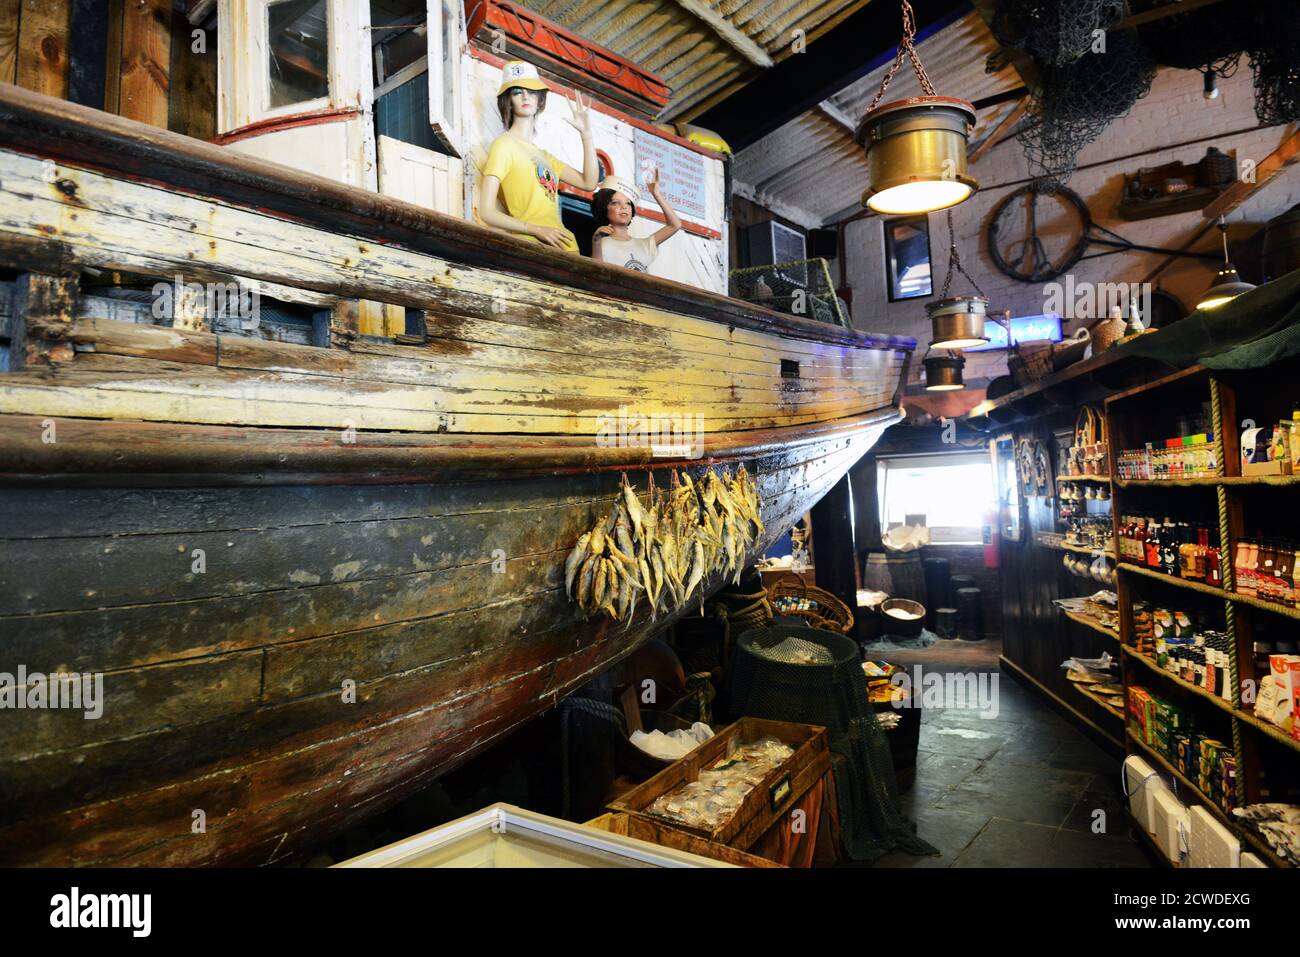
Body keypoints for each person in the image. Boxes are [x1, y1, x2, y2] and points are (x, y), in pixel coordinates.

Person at [479, 61, 599, 253]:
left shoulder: (545, 156)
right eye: (517, 92)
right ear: (508, 100)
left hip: (567, 246)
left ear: (540, 99)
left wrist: (587, 134)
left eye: (532, 91)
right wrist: (534, 229)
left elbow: (589, 183)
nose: (526, 96)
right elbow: (486, 211)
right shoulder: (503, 145)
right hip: (532, 245)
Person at [590, 167, 681, 272]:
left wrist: (656, 194)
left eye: (628, 203)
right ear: (604, 209)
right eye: (615, 202)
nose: (624, 207)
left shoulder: (645, 245)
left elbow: (675, 225)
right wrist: (596, 243)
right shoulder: (602, 244)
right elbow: (595, 273)